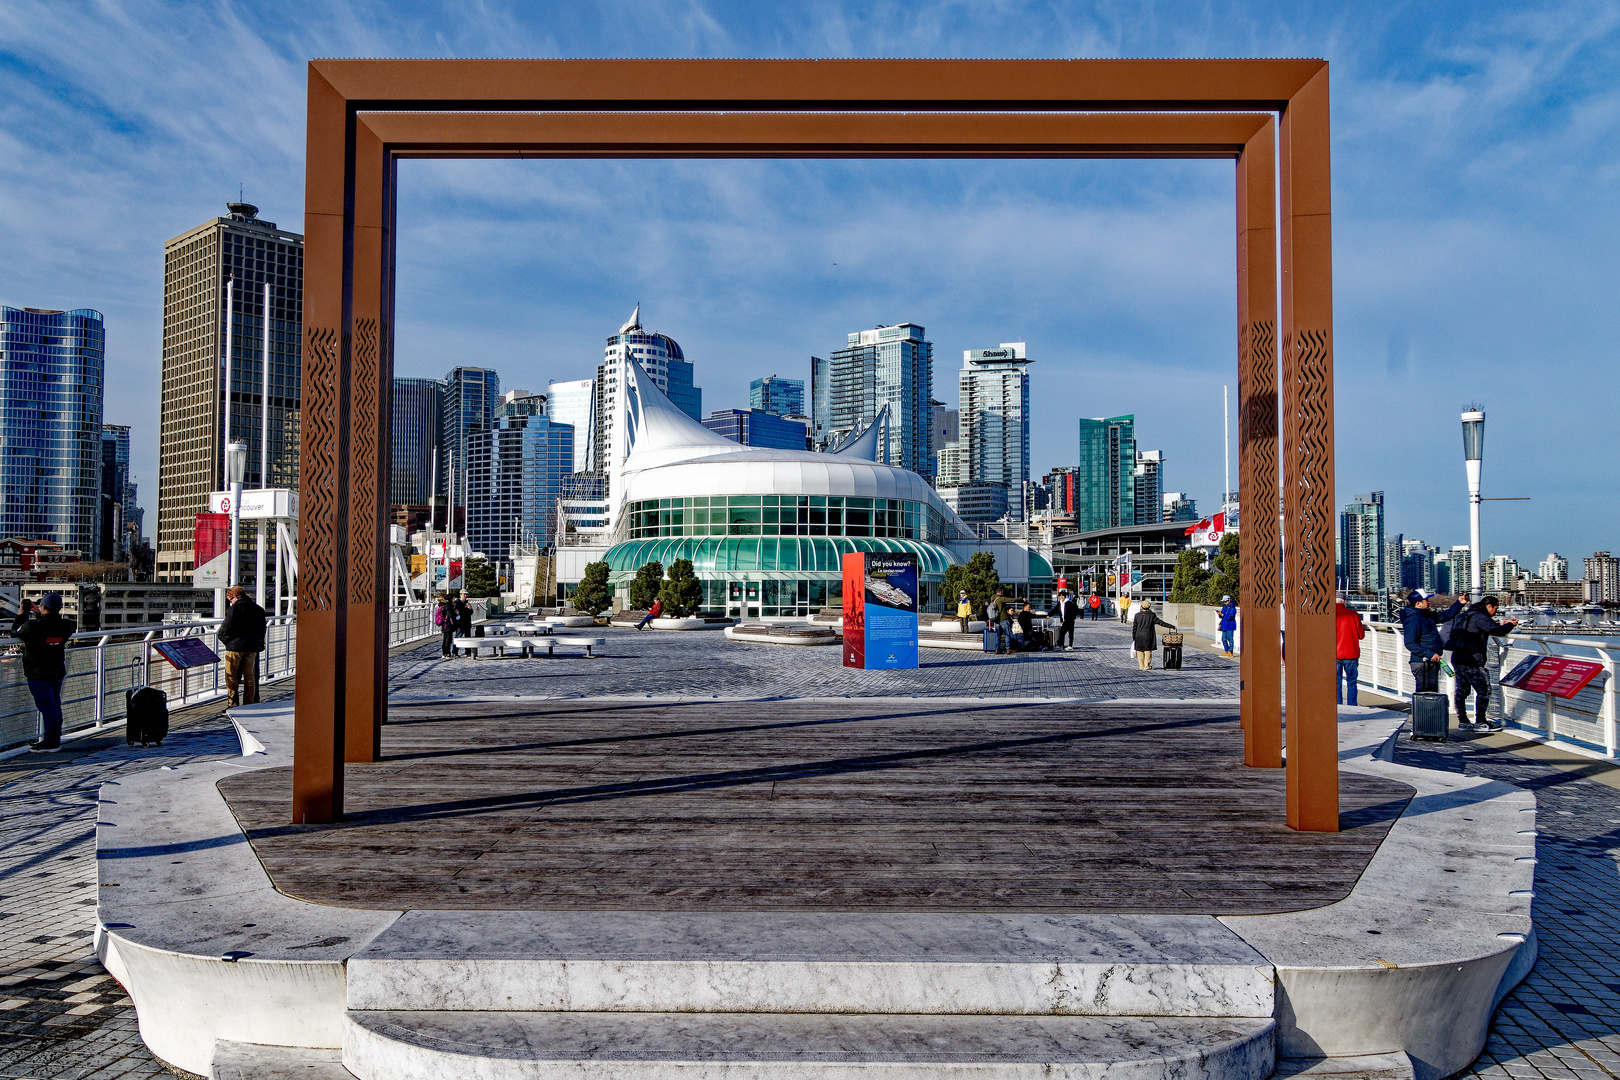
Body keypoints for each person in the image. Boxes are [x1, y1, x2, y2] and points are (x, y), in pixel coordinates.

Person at [1448, 594, 1518, 731]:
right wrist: (1510, 625)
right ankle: (1480, 721)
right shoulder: (1480, 616)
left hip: (1458, 657)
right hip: (1472, 659)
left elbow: (1487, 627)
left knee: (1461, 691)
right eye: (1495, 609)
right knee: (1484, 690)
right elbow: (1496, 630)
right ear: (1489, 606)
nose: (1495, 612)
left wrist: (1497, 625)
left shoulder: (1466, 615)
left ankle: (1463, 722)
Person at [18, 593, 75, 752]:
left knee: (47, 707)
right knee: (54, 705)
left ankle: (51, 742)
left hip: (38, 673)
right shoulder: (66, 625)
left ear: (43, 607)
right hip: (56, 670)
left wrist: (22, 615)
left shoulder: (33, 627)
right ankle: (54, 739)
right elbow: (50, 628)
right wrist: (40, 616)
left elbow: (16, 631)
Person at [1400, 588, 1461, 693]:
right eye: (1426, 600)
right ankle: (1422, 710)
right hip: (1423, 662)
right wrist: (1430, 654)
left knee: (1430, 693)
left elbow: (1446, 616)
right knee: (1426, 694)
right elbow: (1410, 643)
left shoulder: (1426, 616)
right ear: (1418, 603)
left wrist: (1460, 603)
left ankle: (1426, 709)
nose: (1428, 602)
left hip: (1430, 661)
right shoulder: (1413, 619)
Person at [219, 585, 267, 706]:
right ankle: (249, 703)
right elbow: (262, 629)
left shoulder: (234, 609)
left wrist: (227, 642)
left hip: (235, 648)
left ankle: (233, 703)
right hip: (251, 648)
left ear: (234, 597)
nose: (230, 603)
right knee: (250, 677)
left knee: (231, 676)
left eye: (230, 600)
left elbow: (225, 629)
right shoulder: (258, 609)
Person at [1335, 598, 1366, 706]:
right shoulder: (1353, 614)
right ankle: (1352, 706)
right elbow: (1361, 635)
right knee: (1352, 682)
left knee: (1336, 683)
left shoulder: (1329, 615)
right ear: (1344, 602)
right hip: (1351, 653)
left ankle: (1338, 706)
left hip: (1334, 654)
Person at [1131, 599, 1175, 671]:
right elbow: (1161, 622)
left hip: (1139, 635)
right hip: (1148, 634)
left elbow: (1134, 627)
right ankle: (1147, 665)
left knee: (1139, 651)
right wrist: (1171, 626)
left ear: (1141, 606)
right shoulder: (1152, 615)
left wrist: (1134, 637)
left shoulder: (1137, 615)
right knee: (1147, 650)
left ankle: (1141, 666)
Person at [987, 587, 1012, 653]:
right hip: (1003, 618)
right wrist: (1021, 599)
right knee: (1007, 633)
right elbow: (1011, 600)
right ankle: (1008, 649)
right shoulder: (1000, 599)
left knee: (998, 635)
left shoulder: (993, 598)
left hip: (996, 619)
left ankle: (997, 649)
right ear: (1000, 592)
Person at [436, 592, 456, 657]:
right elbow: (450, 614)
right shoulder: (448, 605)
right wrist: (455, 613)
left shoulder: (444, 605)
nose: (454, 600)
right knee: (448, 639)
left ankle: (444, 653)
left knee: (445, 639)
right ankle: (447, 653)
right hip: (448, 624)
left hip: (445, 624)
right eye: (453, 598)